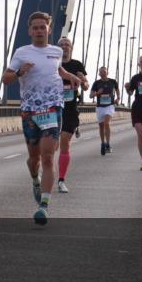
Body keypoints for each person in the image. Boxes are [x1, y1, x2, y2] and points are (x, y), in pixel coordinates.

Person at [2, 12, 83, 225]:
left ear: (48, 30)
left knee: (48, 157)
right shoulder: (22, 52)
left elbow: (59, 69)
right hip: (30, 110)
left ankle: (44, 207)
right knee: (34, 159)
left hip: (53, 108)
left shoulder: (56, 51)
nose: (39, 30)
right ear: (30, 31)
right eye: (35, 27)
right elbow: (5, 79)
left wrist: (72, 77)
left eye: (42, 27)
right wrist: (19, 73)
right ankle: (34, 180)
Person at [57, 37, 90, 193]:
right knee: (49, 146)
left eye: (67, 45)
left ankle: (61, 180)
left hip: (70, 109)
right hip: (53, 108)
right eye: (61, 45)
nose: (64, 47)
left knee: (64, 141)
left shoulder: (77, 65)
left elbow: (85, 86)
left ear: (71, 48)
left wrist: (83, 81)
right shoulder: (52, 63)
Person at [90, 66, 120, 155]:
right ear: (99, 74)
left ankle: (108, 143)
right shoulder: (96, 83)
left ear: (107, 72)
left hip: (109, 106)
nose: (103, 73)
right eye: (101, 72)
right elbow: (91, 95)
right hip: (100, 107)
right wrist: (97, 93)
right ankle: (103, 143)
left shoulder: (113, 81)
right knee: (101, 126)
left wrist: (118, 98)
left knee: (107, 123)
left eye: (104, 71)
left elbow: (117, 90)